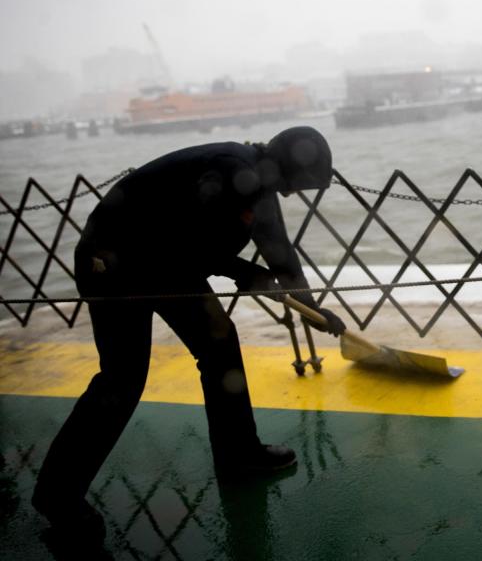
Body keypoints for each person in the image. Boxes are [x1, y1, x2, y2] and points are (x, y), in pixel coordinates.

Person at [32, 126, 346, 539]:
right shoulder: (231, 169)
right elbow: (185, 239)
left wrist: (312, 309)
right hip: (113, 260)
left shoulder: (261, 183)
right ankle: (58, 495)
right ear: (286, 167)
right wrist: (246, 272)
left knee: (220, 346)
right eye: (295, 184)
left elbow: (281, 257)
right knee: (122, 379)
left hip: (164, 265)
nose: (291, 193)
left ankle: (239, 454)